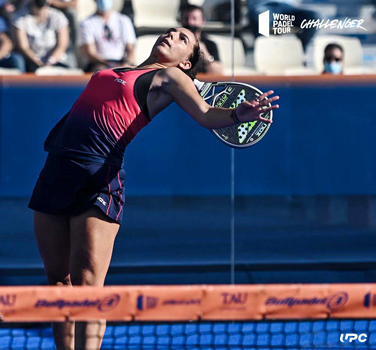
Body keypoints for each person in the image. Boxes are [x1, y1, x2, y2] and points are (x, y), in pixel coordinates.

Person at [28, 27, 279, 350]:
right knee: (58, 281)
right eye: (172, 31)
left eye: (183, 39)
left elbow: (204, 115)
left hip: (98, 176)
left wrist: (236, 114)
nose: (172, 35)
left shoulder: (171, 78)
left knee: (88, 287)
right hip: (57, 169)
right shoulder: (121, 67)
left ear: (187, 63)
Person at [78, 0, 136, 72]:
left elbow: (130, 49)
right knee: (101, 72)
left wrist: (127, 63)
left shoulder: (124, 20)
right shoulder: (86, 23)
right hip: (98, 63)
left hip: (121, 62)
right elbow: (90, 53)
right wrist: (110, 65)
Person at [13, 0, 70, 72]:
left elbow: (62, 45)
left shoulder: (58, 17)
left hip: (55, 61)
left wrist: (50, 61)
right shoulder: (20, 18)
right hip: (31, 61)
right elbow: (24, 47)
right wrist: (38, 62)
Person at [248, 0, 318, 50]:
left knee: (312, 18)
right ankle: (266, 55)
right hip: (262, 4)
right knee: (265, 19)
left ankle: (300, 50)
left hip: (288, 6)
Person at [179, 4, 223, 75]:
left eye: (194, 18)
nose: (190, 23)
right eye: (186, 18)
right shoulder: (175, 42)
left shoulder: (210, 44)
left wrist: (206, 55)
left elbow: (218, 73)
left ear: (202, 21)